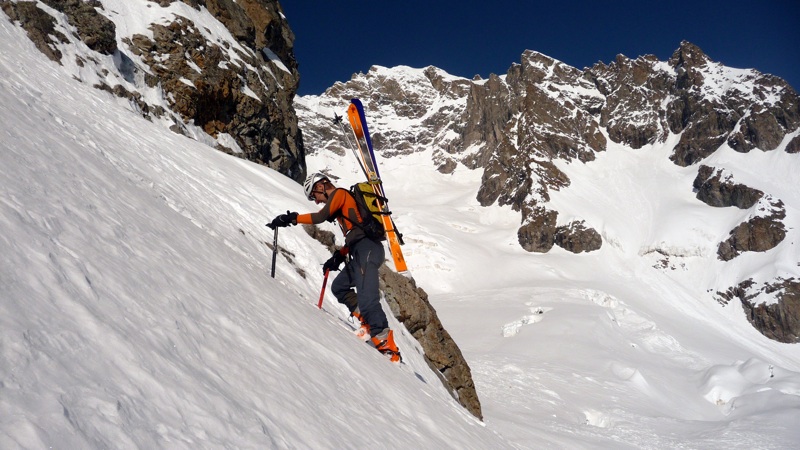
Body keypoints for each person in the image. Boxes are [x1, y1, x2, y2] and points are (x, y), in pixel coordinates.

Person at [268, 172, 401, 362]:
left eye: (314, 196)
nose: (316, 201)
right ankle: (368, 322)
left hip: (367, 250)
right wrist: (339, 256)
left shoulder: (339, 194)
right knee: (339, 287)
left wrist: (293, 218)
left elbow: (320, 216)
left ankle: (386, 345)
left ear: (321, 186)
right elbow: (356, 231)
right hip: (359, 250)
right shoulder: (342, 205)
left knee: (368, 298)